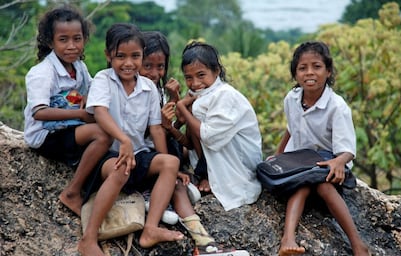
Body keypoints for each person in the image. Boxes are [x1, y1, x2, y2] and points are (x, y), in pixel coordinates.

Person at [77, 23, 184, 256]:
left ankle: (151, 229)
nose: (128, 63)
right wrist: (123, 140)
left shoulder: (148, 87)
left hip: (138, 153)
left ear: (142, 55)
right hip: (108, 156)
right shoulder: (103, 80)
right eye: (120, 56)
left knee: (170, 163)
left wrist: (164, 158)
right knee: (121, 168)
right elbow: (101, 113)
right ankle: (89, 238)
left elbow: (155, 129)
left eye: (135, 56)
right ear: (108, 56)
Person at [274, 41, 370, 256]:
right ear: (295, 73)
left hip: (330, 161)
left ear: (328, 71)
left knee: (321, 184)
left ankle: (357, 244)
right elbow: (291, 128)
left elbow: (347, 149)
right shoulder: (292, 99)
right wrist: (278, 155)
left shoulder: (337, 106)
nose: (310, 72)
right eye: (302, 68)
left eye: (316, 66)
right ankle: (288, 239)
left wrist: (338, 162)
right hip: (300, 160)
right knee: (303, 183)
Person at [23, 5, 112, 217]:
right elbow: (39, 112)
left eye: (77, 39)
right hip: (46, 134)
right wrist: (81, 114)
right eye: (63, 40)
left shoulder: (79, 68)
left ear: (85, 40)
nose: (71, 46)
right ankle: (72, 192)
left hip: (68, 128)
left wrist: (88, 100)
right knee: (102, 134)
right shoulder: (43, 72)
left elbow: (94, 89)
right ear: (50, 41)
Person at [139, 31, 221, 254]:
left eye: (160, 67)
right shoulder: (135, 90)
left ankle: (205, 243)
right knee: (176, 181)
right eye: (148, 66)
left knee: (184, 151)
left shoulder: (155, 90)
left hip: (158, 150)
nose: (155, 73)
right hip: (146, 154)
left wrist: (175, 99)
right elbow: (155, 131)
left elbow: (177, 123)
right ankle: (203, 241)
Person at [176, 41, 263, 212]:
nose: (195, 83)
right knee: (196, 113)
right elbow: (191, 141)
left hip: (239, 165)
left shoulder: (225, 95)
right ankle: (205, 174)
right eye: (189, 77)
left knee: (198, 117)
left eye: (201, 75)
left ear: (216, 71)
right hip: (212, 156)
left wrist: (182, 108)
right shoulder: (199, 95)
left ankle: (214, 179)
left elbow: (210, 137)